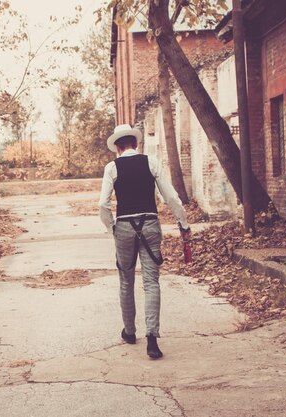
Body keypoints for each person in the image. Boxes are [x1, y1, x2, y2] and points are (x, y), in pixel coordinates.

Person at [98, 124, 190, 359]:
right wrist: (183, 223)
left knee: (126, 282)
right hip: (149, 224)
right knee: (151, 282)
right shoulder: (151, 162)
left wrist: (112, 227)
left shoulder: (112, 168)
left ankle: (129, 331)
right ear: (136, 144)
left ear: (117, 147)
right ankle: (152, 339)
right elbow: (170, 196)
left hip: (125, 227)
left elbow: (103, 205)